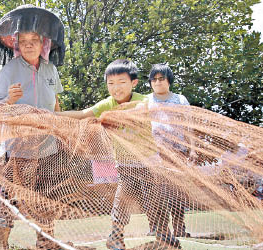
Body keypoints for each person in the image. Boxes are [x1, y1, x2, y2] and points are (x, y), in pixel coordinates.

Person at [57, 59, 180, 250]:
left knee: (155, 201)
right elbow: (82, 114)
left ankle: (163, 236)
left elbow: (141, 111)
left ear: (134, 83)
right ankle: (115, 237)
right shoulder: (108, 104)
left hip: (149, 163)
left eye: (122, 82)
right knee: (122, 201)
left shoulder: (144, 100)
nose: (116, 88)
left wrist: (120, 116)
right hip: (124, 165)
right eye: (111, 83)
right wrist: (51, 114)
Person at [0, 31, 63, 250]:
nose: (29, 46)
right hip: (16, 150)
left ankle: (46, 244)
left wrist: (61, 132)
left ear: (43, 43)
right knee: (7, 202)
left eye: (34, 42)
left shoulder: (51, 69)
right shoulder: (9, 70)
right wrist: (9, 100)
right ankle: (0, 245)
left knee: (47, 201)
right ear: (17, 45)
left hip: (47, 147)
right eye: (23, 42)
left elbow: (56, 104)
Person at [146, 63, 193, 238]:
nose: (158, 82)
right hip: (153, 153)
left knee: (177, 193)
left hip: (177, 152)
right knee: (154, 193)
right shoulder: (146, 101)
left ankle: (180, 228)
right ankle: (157, 228)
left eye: (161, 79)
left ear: (169, 81)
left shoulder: (180, 100)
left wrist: (192, 149)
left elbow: (189, 127)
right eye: (154, 79)